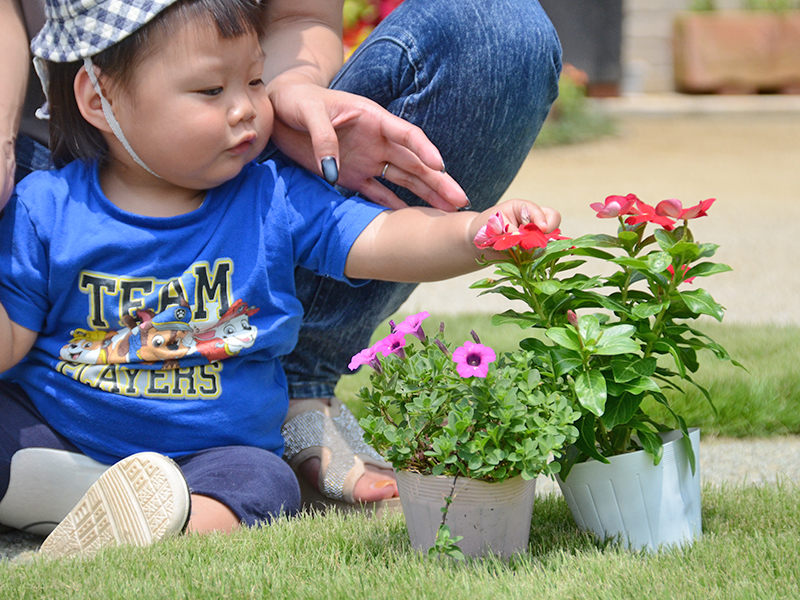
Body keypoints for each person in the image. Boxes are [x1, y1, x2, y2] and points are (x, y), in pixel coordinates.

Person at [0, 0, 561, 559]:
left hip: (209, 456)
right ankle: (84, 495)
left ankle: (159, 517)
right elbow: (11, 341)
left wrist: (473, 235)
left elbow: (385, 237)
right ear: (101, 100)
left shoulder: (273, 196)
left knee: (265, 483)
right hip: (62, 433)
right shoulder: (46, 207)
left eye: (254, 79)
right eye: (211, 91)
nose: (246, 109)